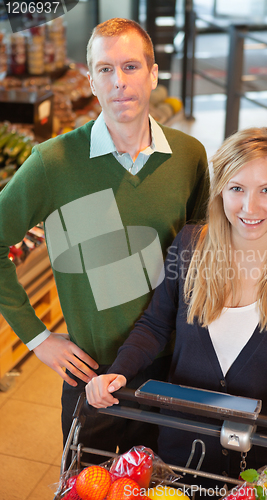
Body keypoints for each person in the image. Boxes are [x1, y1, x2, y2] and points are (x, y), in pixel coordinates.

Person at [0, 18, 209, 457]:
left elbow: (199, 257)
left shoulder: (190, 156)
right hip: (92, 375)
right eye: (105, 69)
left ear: (153, 74)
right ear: (91, 80)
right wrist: (37, 337)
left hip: (171, 367)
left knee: (163, 483)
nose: (119, 82)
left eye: (131, 66)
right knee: (87, 483)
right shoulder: (52, 162)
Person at [86, 127, 267, 479]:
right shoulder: (188, 248)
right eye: (237, 189)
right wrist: (119, 370)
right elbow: (155, 324)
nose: (250, 207)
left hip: (265, 455)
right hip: (181, 448)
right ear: (220, 192)